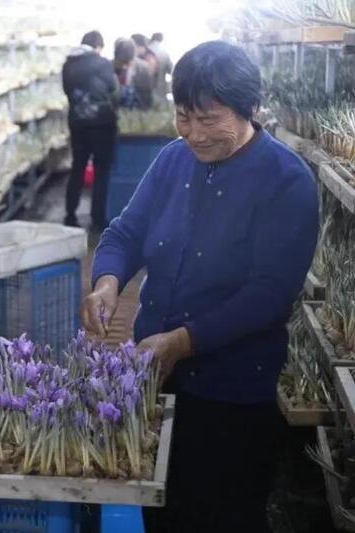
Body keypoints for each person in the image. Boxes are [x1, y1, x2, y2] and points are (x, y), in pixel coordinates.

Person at [83, 41, 318, 533]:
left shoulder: (287, 181)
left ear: (250, 109)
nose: (193, 133)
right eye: (184, 117)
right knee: (162, 509)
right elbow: (127, 231)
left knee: (220, 511)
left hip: (232, 392)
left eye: (209, 120)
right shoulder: (173, 160)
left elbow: (268, 294)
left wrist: (183, 342)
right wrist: (107, 281)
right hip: (156, 377)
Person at [61, 30, 118, 230]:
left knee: (78, 167)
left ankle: (70, 215)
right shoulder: (102, 63)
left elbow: (68, 91)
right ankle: (98, 218)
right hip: (101, 124)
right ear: (97, 46)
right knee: (102, 171)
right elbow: (112, 88)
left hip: (77, 122)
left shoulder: (68, 64)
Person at [114, 37, 154, 110]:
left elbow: (146, 96)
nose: (124, 66)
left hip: (137, 109)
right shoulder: (111, 66)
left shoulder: (143, 68)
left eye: (127, 63)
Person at [148, 32, 173, 103]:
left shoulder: (146, 49)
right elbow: (170, 70)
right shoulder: (164, 52)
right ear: (161, 39)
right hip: (160, 90)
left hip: (146, 91)